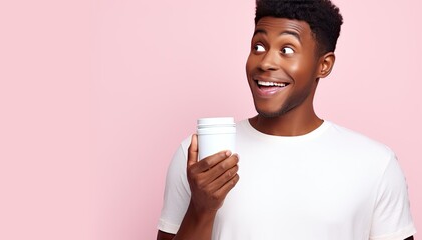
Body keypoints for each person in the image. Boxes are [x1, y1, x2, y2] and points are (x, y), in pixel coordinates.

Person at [156, 0, 417, 240]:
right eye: (258, 46)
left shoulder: (375, 163)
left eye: (287, 49)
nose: (266, 62)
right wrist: (201, 208)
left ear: (323, 65)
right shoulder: (200, 156)